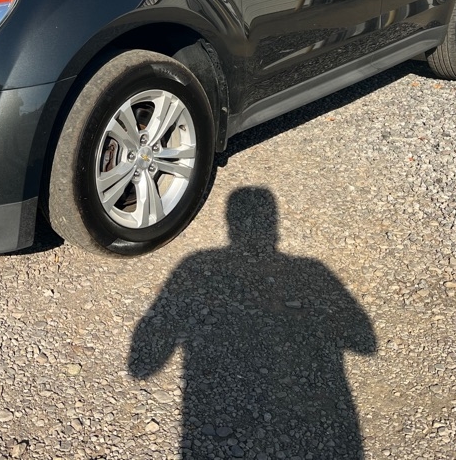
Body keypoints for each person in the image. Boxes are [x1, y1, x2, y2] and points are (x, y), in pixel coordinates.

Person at [129, 186, 377, 458]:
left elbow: (142, 365)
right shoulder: (311, 270)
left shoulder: (195, 264)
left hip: (214, 413)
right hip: (313, 424)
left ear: (230, 223)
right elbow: (365, 342)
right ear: (273, 226)